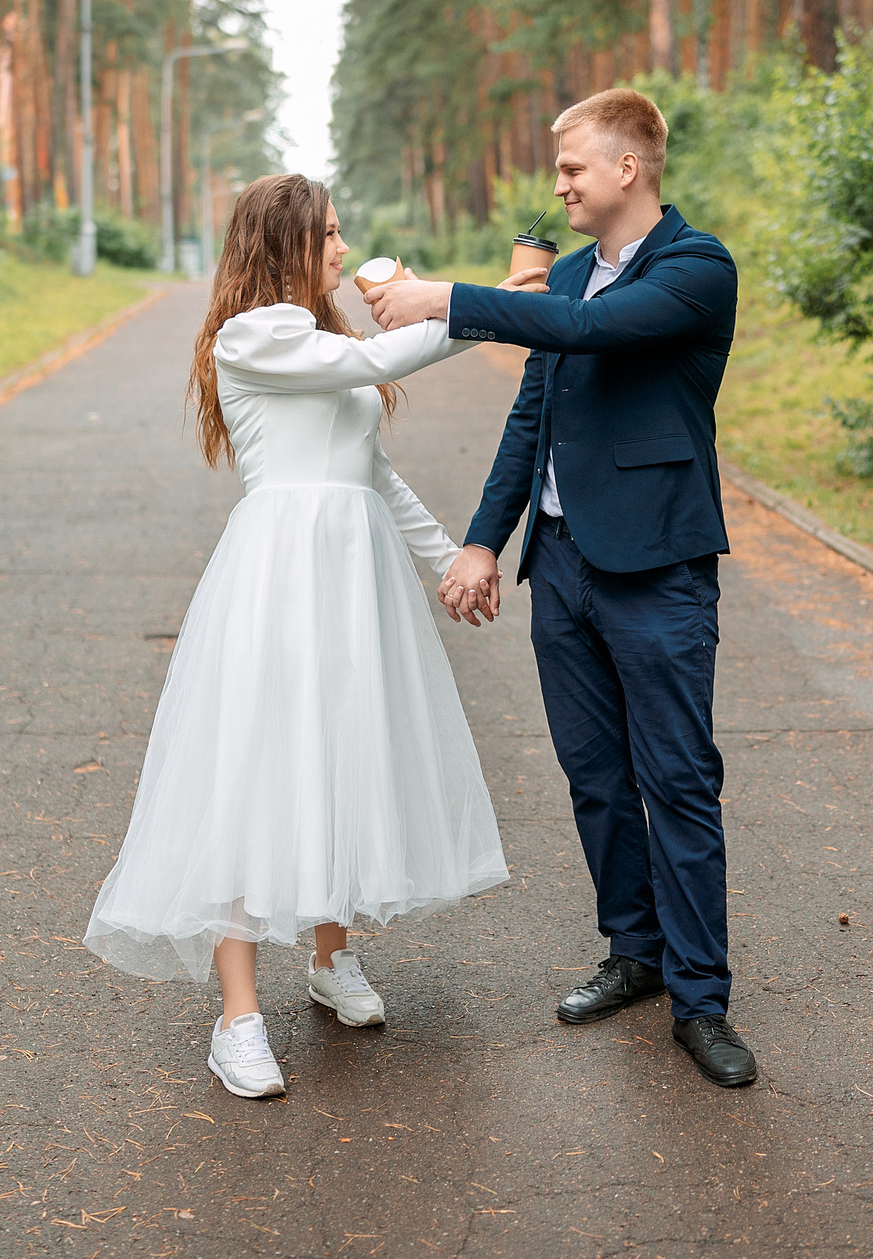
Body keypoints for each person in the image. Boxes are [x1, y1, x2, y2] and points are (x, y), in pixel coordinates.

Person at [362, 88, 754, 1089]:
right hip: (564, 566)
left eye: (573, 168)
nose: (559, 186)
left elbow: (590, 334)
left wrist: (445, 297)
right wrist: (485, 541)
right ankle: (634, 953)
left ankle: (700, 999)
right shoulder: (569, 273)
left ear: (629, 168)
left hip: (658, 565)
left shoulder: (696, 268)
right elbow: (532, 411)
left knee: (676, 781)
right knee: (594, 778)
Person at [83, 174, 507, 1100]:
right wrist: (492, 305)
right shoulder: (255, 335)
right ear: (284, 246)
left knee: (345, 751)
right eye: (328, 236)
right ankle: (237, 1019)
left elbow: (374, 469)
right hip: (279, 573)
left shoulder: (326, 339)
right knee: (255, 771)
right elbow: (376, 367)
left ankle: (331, 959)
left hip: (355, 577)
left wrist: (446, 559)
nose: (344, 252)